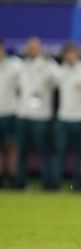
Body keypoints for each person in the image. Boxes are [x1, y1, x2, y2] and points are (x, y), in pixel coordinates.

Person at [16, 37, 59, 189]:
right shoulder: (21, 64)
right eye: (30, 47)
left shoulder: (48, 64)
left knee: (45, 152)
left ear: (40, 48)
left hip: (41, 116)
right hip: (23, 114)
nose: (32, 50)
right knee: (21, 152)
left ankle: (48, 183)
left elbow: (58, 80)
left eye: (35, 47)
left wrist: (49, 63)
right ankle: (20, 183)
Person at [54, 42, 81, 189]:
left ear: (77, 54)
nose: (70, 56)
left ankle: (77, 183)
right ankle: (56, 183)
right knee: (60, 152)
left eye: (72, 53)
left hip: (80, 117)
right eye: (67, 54)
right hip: (64, 117)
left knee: (79, 153)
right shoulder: (60, 70)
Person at [0, 40, 22, 188]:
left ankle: (13, 178)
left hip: (11, 113)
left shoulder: (15, 65)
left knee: (12, 149)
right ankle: (2, 179)